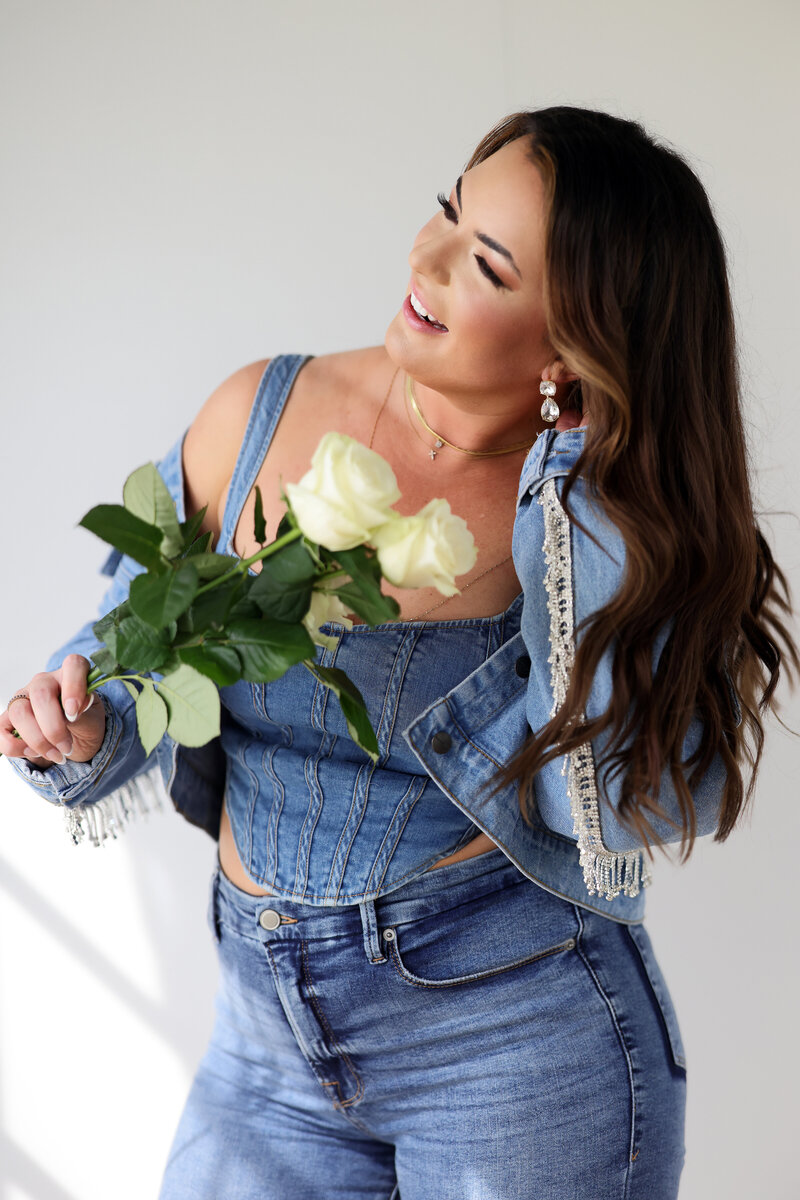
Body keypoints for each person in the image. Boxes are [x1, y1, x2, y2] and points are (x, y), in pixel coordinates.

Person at [2, 107, 797, 1200]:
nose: (424, 258)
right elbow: (143, 640)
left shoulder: (604, 533)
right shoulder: (261, 410)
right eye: (445, 210)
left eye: (483, 262)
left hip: (521, 1054)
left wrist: (563, 507)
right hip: (265, 1054)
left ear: (575, 340)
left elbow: (609, 810)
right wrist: (82, 721)